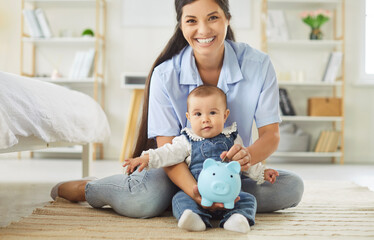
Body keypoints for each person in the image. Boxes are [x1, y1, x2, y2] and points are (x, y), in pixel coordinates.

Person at [51, 0, 303, 220]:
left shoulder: (258, 65)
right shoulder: (165, 74)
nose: (203, 30)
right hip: (178, 170)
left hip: (231, 174)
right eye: (192, 20)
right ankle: (90, 188)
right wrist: (197, 191)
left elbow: (271, 135)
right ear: (181, 25)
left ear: (227, 18)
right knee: (143, 199)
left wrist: (246, 157)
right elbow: (167, 148)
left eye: (213, 17)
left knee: (291, 187)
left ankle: (191, 204)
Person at [123, 85, 279, 233]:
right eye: (198, 114)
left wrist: (262, 173)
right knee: (180, 198)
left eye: (212, 113)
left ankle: (237, 218)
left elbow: (244, 162)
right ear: (189, 117)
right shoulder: (185, 140)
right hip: (197, 192)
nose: (205, 119)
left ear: (225, 115)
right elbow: (167, 153)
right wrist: (146, 157)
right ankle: (195, 218)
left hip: (231, 194)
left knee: (247, 199)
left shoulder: (232, 139)